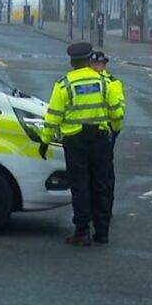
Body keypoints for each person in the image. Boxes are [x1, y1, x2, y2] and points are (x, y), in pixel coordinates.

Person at [42, 42, 124, 246]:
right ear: (89, 60)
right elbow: (116, 112)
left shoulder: (64, 85)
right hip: (100, 141)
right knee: (101, 185)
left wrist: (45, 140)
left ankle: (82, 231)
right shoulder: (105, 83)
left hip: (75, 143)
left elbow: (53, 117)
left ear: (71, 62)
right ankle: (102, 232)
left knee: (80, 187)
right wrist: (114, 129)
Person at [90, 50, 125, 215]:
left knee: (105, 172)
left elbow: (119, 110)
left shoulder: (113, 83)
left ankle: (105, 208)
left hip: (106, 132)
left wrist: (114, 131)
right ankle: (93, 206)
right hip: (89, 130)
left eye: (99, 64)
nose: (96, 66)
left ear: (104, 65)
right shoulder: (85, 80)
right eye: (94, 63)